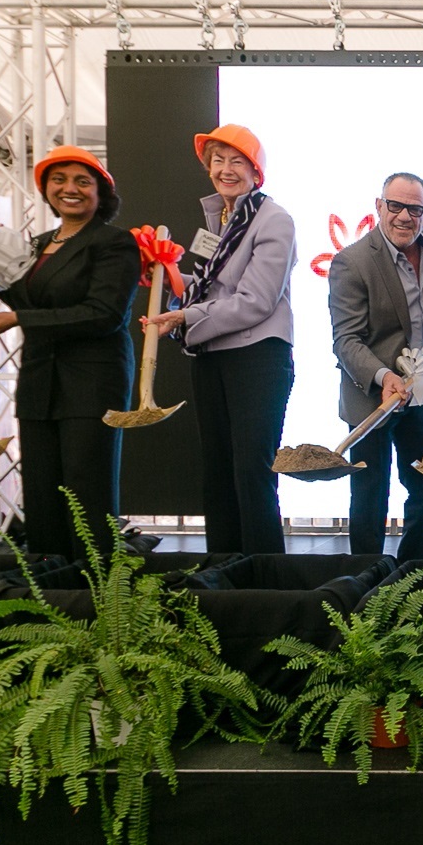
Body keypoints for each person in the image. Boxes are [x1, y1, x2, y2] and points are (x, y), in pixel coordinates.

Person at [0, 145, 141, 558]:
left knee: (88, 496)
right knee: (42, 495)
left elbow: (102, 314)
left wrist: (20, 321)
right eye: (59, 180)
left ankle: (99, 601)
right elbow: (25, 301)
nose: (70, 189)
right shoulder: (36, 244)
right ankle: (50, 597)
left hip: (90, 384)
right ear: (46, 189)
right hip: (39, 384)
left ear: (101, 193)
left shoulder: (113, 243)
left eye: (82, 181)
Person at [147, 124, 297, 554]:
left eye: (236, 161)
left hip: (257, 359)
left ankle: (265, 576)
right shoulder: (219, 216)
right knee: (217, 471)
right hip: (212, 356)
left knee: (252, 470)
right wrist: (168, 276)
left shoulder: (275, 219)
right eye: (217, 160)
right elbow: (210, 288)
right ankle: (223, 568)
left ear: (256, 171)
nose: (225, 170)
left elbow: (255, 301)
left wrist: (186, 314)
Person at [327, 171, 423, 559]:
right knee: (370, 494)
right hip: (372, 397)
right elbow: (345, 339)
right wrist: (383, 377)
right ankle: (367, 581)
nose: (404, 216)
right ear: (379, 206)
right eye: (395, 206)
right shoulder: (351, 263)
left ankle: (414, 574)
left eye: (414, 209)